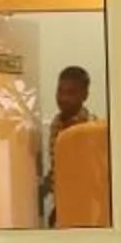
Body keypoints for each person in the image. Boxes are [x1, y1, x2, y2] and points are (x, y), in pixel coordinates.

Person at [40, 66, 96, 227]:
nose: (63, 98)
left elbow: (88, 176)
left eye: (71, 93)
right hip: (63, 205)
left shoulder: (91, 129)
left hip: (85, 208)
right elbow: (59, 164)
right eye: (60, 91)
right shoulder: (56, 124)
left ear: (84, 95)